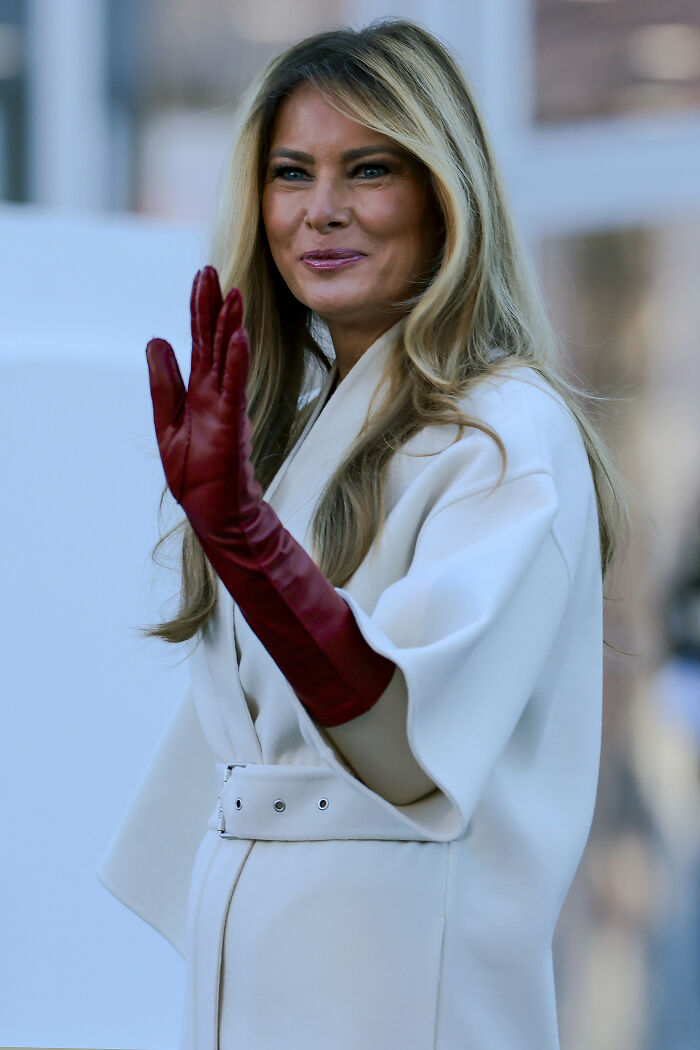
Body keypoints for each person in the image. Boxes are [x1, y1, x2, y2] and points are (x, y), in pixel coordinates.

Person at [98, 18, 628, 1050]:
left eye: (368, 169)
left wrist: (246, 541)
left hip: (397, 986)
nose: (321, 211)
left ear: (444, 194)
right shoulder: (305, 442)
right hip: (265, 977)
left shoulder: (507, 427)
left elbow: (402, 742)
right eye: (290, 173)